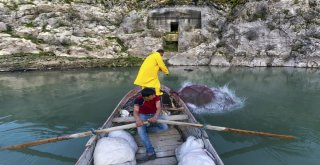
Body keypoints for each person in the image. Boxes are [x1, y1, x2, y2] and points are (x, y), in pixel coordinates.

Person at [133, 88, 168, 160]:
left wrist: (155, 117)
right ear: (146, 97)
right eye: (152, 95)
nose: (154, 96)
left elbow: (158, 108)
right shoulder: (138, 100)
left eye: (154, 94)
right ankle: (150, 151)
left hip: (154, 113)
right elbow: (135, 111)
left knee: (165, 128)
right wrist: (138, 119)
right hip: (143, 115)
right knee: (141, 131)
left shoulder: (156, 97)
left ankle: (146, 129)